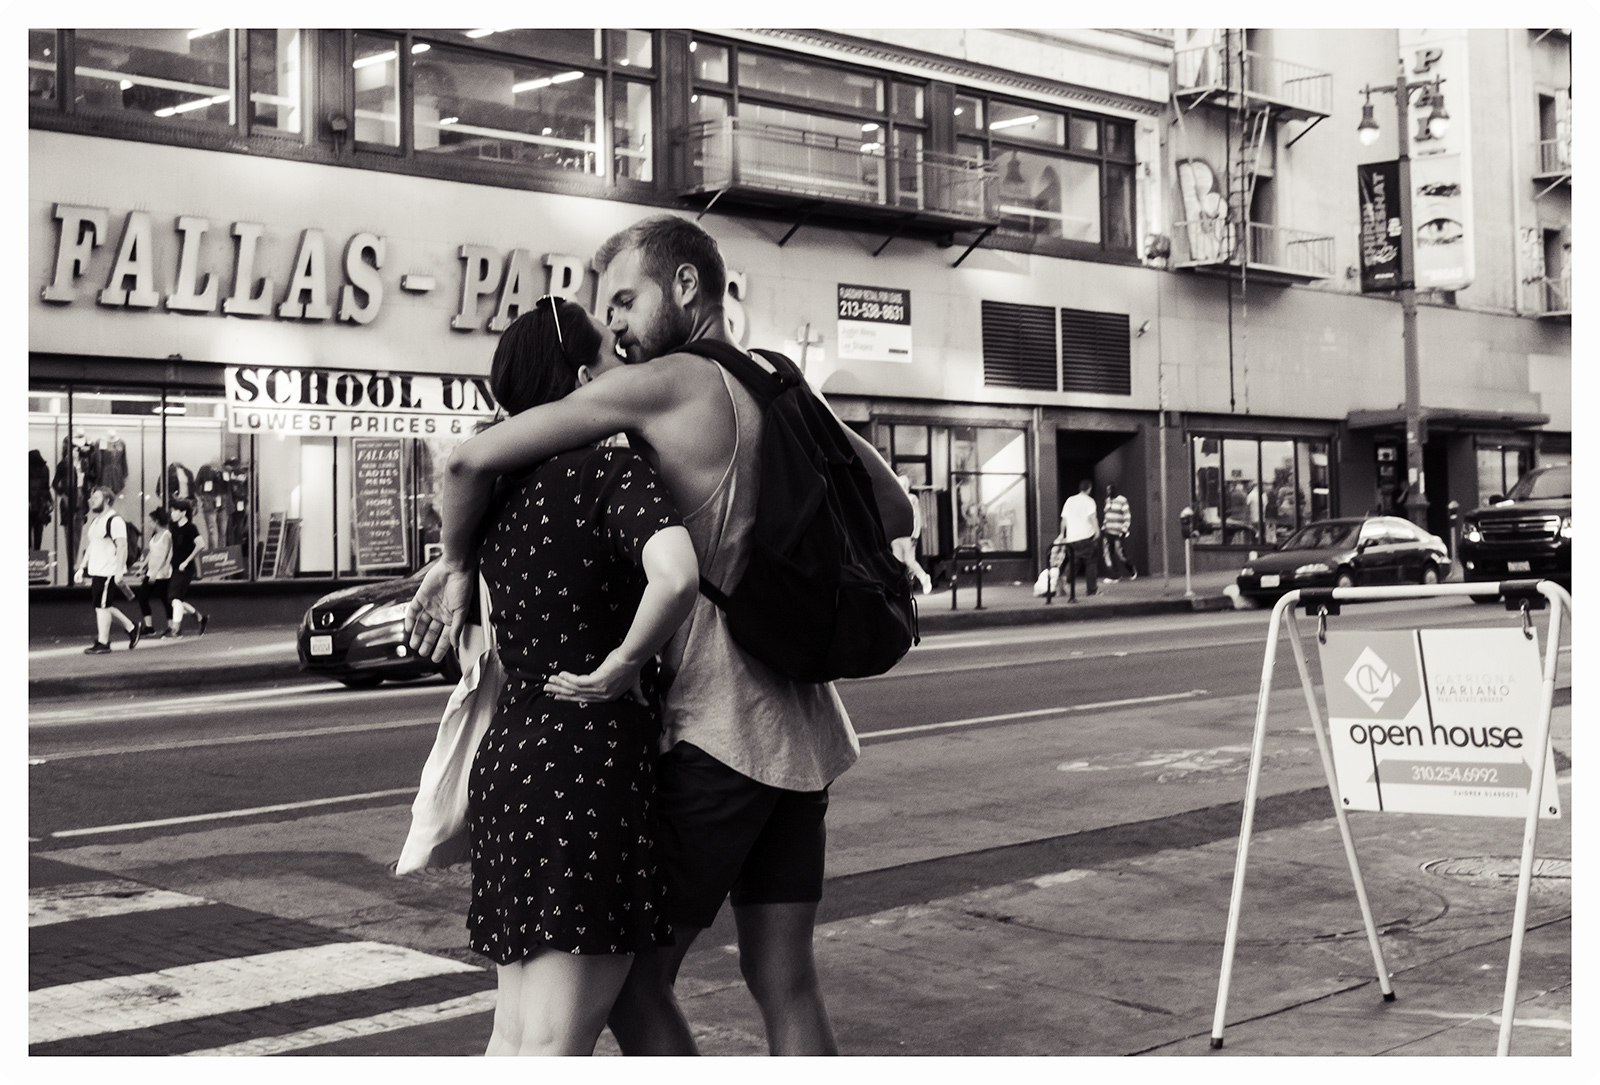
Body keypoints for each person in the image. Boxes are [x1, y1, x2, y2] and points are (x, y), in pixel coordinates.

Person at [407, 214, 914, 1056]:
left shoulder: (669, 382)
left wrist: (459, 562)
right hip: (806, 732)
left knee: (633, 980)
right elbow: (892, 509)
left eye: (626, 299)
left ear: (685, 288)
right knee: (783, 975)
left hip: (720, 732)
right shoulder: (784, 380)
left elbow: (476, 457)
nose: (614, 324)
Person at [468, 298, 700, 1056]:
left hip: (509, 763)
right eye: (610, 360)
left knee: (514, 1034)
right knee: (555, 1048)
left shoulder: (499, 491)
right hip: (587, 765)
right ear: (579, 379)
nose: (624, 372)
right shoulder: (608, 465)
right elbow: (675, 575)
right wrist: (623, 663)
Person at [75, 486, 139, 654]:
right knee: (102, 605)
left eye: (95, 498)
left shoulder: (115, 521)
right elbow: (92, 546)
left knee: (102, 607)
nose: (91, 501)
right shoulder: (96, 521)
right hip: (97, 570)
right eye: (92, 498)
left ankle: (103, 642)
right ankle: (132, 628)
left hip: (108, 570)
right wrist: (82, 567)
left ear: (107, 501)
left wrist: (119, 571)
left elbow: (122, 546)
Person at [167, 499, 209, 637]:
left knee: (175, 599)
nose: (172, 513)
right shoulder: (172, 526)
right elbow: (172, 547)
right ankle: (200, 618)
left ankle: (176, 629)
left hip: (186, 569)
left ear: (183, 512)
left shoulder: (191, 528)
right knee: (175, 599)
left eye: (175, 511)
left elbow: (200, 544)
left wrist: (187, 561)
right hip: (174, 566)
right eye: (171, 510)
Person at [1057, 479, 1099, 603]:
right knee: (1090, 562)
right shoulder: (1090, 501)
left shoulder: (1070, 500)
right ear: (1089, 489)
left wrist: (1062, 533)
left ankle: (1064, 583)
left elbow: (1063, 520)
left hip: (1072, 537)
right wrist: (1097, 531)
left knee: (1073, 562)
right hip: (1086, 536)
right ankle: (1092, 590)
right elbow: (1092, 517)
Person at [137, 506, 174, 637]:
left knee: (165, 599)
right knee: (142, 597)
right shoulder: (154, 535)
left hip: (162, 573)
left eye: (151, 521)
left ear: (157, 521)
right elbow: (151, 552)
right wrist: (143, 566)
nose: (149, 523)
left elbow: (164, 555)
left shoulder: (166, 535)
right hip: (151, 571)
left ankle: (171, 626)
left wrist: (156, 571)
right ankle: (149, 627)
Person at [1100, 482, 1136, 582]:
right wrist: (1103, 527)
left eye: (1110, 490)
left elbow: (1127, 516)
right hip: (1107, 531)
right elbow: (1106, 515)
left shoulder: (1122, 500)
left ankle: (1130, 568)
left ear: (1114, 490)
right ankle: (1114, 575)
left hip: (1118, 532)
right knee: (1107, 554)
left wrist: (1124, 530)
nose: (1108, 492)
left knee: (1120, 553)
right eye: (1107, 490)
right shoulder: (1107, 500)